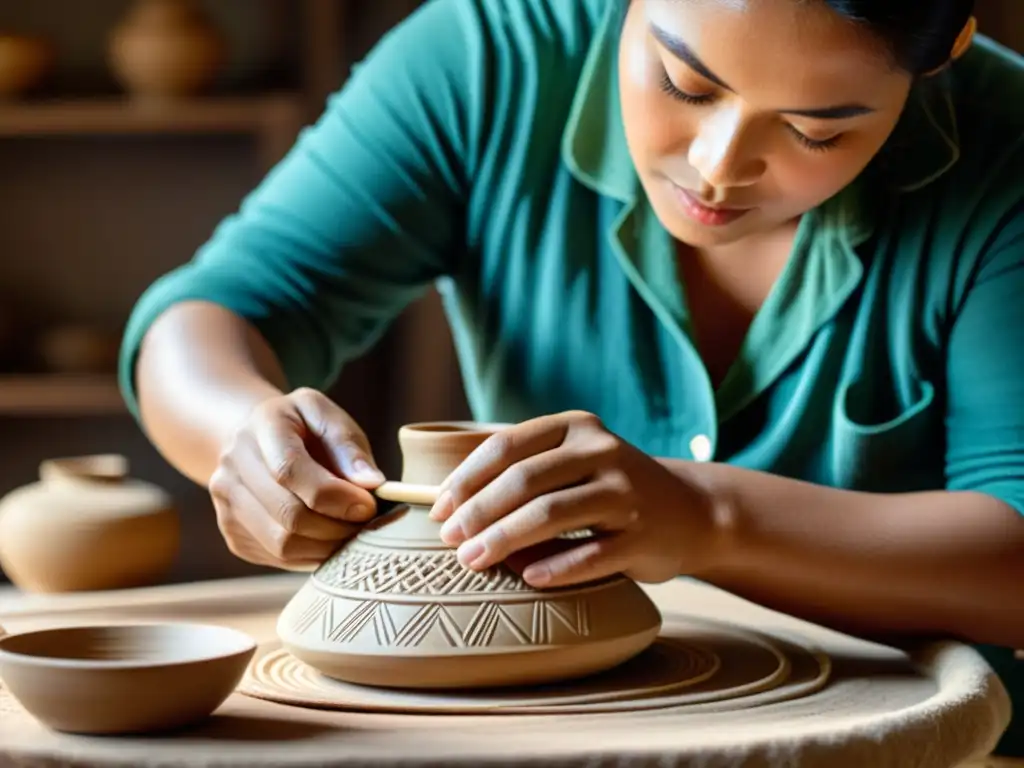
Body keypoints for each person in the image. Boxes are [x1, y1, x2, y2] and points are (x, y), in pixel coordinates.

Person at [119, 0, 1024, 754]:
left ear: (938, 54)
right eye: (685, 84)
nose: (719, 165)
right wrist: (245, 437)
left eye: (814, 129)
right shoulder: (484, 61)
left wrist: (708, 517)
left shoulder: (1007, 144)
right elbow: (211, 317)